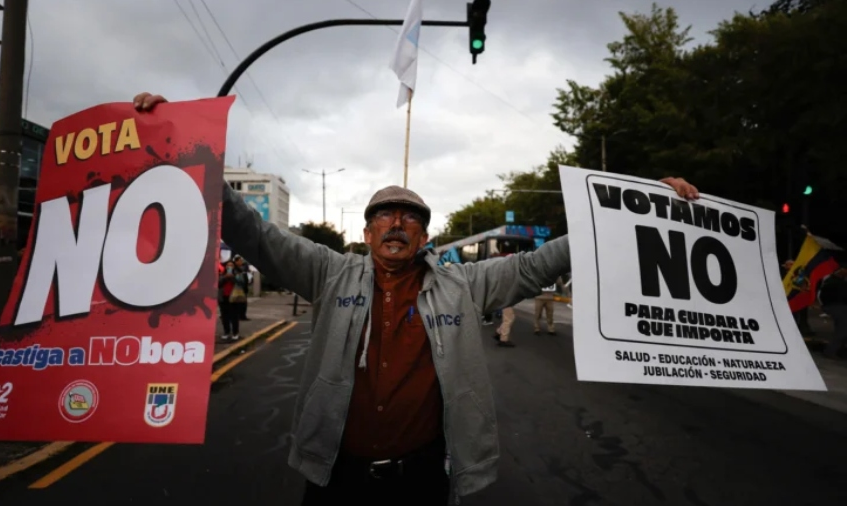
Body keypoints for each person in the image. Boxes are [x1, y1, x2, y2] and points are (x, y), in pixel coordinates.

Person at [132, 92, 700, 504]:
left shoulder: (463, 283)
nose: (397, 224)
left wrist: (631, 207)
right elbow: (256, 234)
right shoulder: (330, 273)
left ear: (424, 236)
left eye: (410, 218)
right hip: (335, 477)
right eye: (384, 216)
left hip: (424, 481)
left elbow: (538, 263)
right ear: (366, 233)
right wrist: (186, 146)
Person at [818, 268, 847, 359]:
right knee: (843, 330)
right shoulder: (835, 283)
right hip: (837, 307)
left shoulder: (831, 281)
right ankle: (831, 351)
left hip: (835, 306)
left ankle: (838, 350)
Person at [218, 259, 247, 341]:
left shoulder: (238, 274)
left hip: (234, 298)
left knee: (234, 316)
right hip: (224, 298)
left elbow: (242, 283)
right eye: (228, 265)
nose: (229, 267)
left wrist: (233, 278)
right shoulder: (222, 274)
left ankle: (235, 333)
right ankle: (226, 332)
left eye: (231, 265)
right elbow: (218, 284)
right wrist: (225, 277)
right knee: (224, 316)